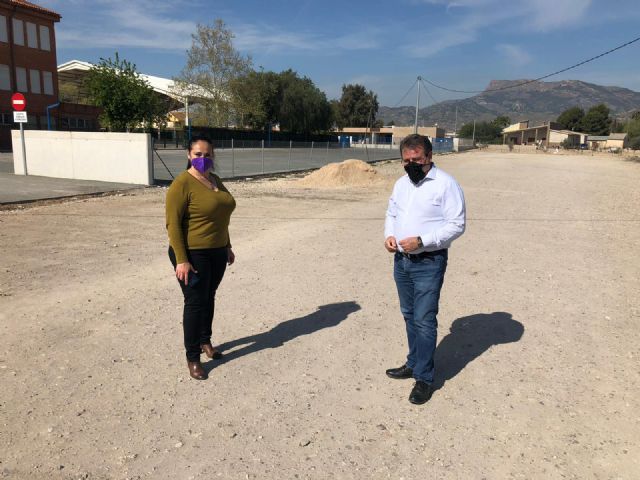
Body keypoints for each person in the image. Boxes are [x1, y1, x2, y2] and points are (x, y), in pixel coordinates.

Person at [384, 134, 466, 404]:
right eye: (406, 161)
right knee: (409, 315)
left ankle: (424, 378)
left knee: (424, 320)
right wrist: (389, 235)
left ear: (429, 156)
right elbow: (392, 213)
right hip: (402, 261)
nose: (411, 165)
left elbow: (457, 225)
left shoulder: (446, 184)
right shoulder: (401, 184)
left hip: (429, 262)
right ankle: (413, 362)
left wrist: (422, 241)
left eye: (417, 160)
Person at [165, 136, 236, 380]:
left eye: (207, 155)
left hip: (217, 251)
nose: (202, 159)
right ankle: (193, 357)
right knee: (195, 303)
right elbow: (173, 225)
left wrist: (227, 245)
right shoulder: (182, 183)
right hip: (192, 253)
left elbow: (220, 217)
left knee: (209, 296)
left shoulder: (215, 180)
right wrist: (182, 259)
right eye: (197, 154)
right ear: (189, 155)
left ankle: (206, 341)